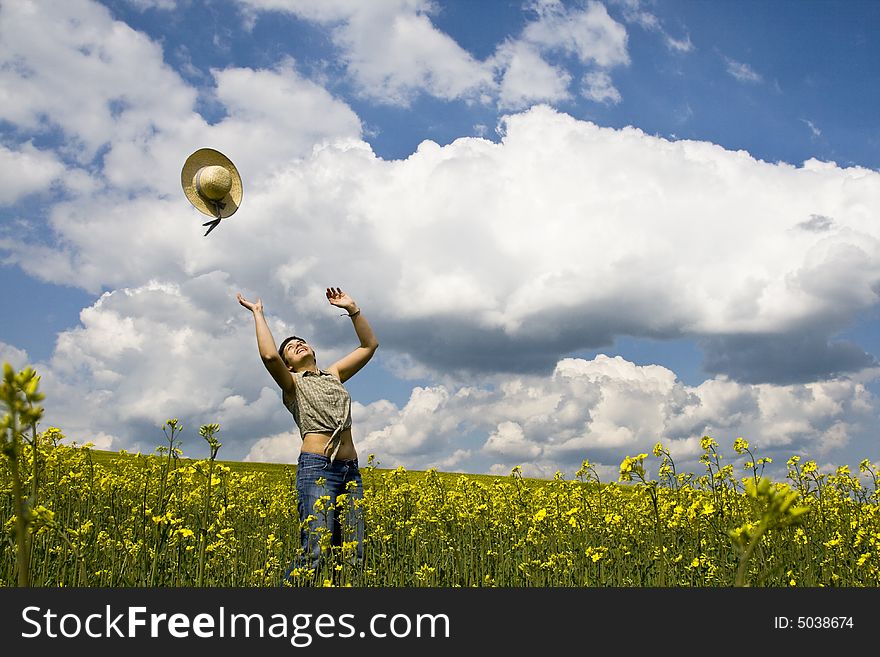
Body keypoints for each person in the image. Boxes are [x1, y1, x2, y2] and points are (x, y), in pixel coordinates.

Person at [237, 287, 378, 584]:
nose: (298, 345)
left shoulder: (334, 374)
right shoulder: (292, 384)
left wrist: (352, 309)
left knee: (354, 554)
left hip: (351, 471)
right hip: (318, 470)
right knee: (315, 550)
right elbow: (267, 355)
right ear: (288, 363)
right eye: (291, 347)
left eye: (302, 342)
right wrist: (258, 314)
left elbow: (369, 346)